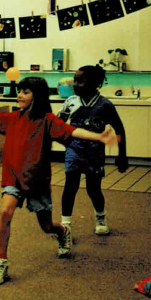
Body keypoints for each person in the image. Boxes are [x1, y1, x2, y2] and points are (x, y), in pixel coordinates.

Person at [0, 76, 118, 285]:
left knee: (46, 226)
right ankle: (1, 262)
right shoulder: (13, 117)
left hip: (37, 181)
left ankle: (62, 231)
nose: (19, 95)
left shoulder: (48, 120)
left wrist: (99, 137)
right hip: (13, 177)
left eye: (25, 92)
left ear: (37, 96)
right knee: (5, 212)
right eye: (19, 91)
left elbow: (72, 131)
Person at [56, 65, 128, 235]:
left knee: (93, 189)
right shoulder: (71, 102)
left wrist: (122, 155)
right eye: (75, 80)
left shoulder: (105, 105)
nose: (75, 84)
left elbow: (119, 129)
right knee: (70, 185)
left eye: (80, 81)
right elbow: (57, 124)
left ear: (95, 84)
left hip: (95, 154)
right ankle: (65, 225)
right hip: (74, 151)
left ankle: (100, 217)